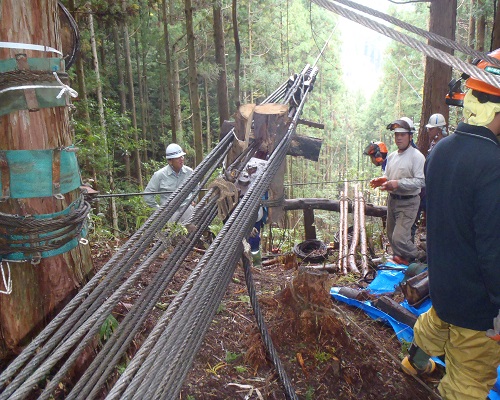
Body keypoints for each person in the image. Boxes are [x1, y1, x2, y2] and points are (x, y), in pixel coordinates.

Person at [402, 49, 500, 400]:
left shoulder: (439, 152)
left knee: (432, 327)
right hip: (477, 307)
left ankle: (414, 362)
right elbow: (494, 250)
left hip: (442, 286)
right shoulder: (494, 165)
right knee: (468, 384)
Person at [370, 117, 426, 265]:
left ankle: (421, 256)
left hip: (409, 202)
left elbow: (421, 181)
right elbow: (388, 176)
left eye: (402, 134)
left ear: (410, 136)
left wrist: (397, 184)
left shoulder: (417, 156)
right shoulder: (392, 156)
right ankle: (403, 262)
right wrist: (382, 180)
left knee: (399, 238)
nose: (399, 138)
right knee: (391, 235)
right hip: (393, 200)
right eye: (396, 135)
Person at [411, 113, 449, 241]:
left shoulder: (445, 145)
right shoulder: (434, 143)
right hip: (430, 188)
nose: (428, 130)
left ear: (439, 129)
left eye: (431, 128)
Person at [143, 143, 195, 224]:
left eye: (182, 156)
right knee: (172, 235)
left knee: (191, 235)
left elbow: (196, 187)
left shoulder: (189, 172)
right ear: (170, 161)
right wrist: (158, 210)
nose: (181, 159)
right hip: (169, 213)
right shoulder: (159, 175)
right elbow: (148, 195)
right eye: (178, 158)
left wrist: (193, 200)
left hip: (187, 210)